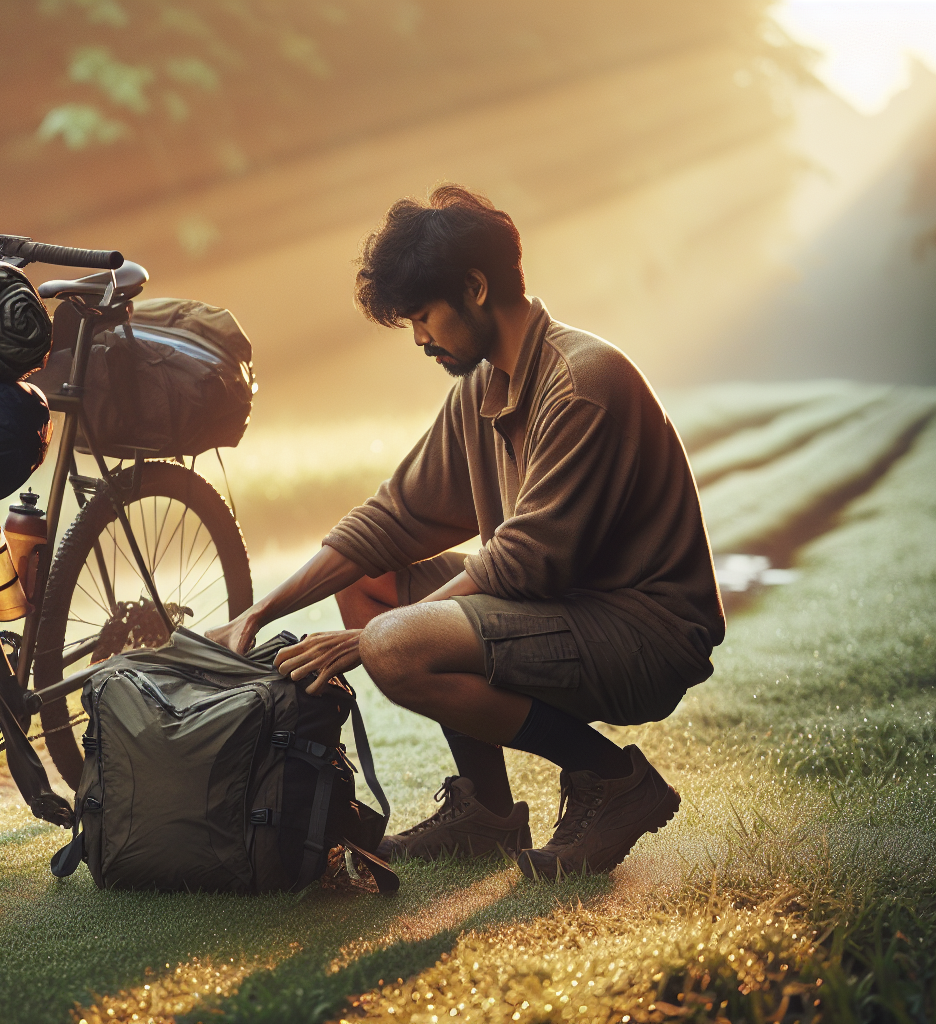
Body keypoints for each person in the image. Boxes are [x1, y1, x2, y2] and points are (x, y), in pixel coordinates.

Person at [206, 185, 724, 878]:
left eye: (423, 316)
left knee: (393, 643)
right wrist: (259, 612)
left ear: (475, 289)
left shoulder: (582, 383)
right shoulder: (483, 389)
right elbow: (392, 519)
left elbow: (526, 562)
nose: (419, 338)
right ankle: (486, 813)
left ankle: (613, 780)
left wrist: (371, 640)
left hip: (644, 635)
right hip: (565, 613)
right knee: (370, 579)